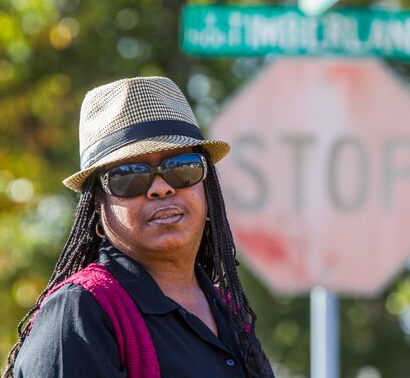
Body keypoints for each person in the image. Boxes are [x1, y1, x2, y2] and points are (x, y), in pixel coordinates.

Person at [3, 77, 275, 378]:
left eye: (182, 167)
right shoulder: (80, 313)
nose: (160, 188)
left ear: (207, 185)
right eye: (129, 175)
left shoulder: (228, 310)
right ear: (96, 203)